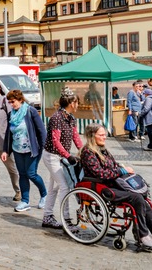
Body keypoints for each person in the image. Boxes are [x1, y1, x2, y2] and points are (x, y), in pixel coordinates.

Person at [80, 123, 152, 256]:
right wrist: (122, 170)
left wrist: (121, 169)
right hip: (100, 187)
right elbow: (101, 174)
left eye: (105, 134)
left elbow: (113, 166)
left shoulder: (102, 149)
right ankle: (144, 235)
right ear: (92, 136)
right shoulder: (88, 152)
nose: (105, 137)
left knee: (144, 202)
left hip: (112, 184)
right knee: (137, 198)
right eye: (101, 134)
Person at [41, 88, 83, 229]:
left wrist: (83, 152)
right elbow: (55, 141)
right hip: (52, 156)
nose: (78, 105)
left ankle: (47, 217)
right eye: (77, 102)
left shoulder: (71, 118)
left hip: (60, 156)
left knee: (54, 188)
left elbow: (76, 137)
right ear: (71, 103)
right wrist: (68, 156)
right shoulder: (56, 118)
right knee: (65, 186)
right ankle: (67, 221)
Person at [1, 89, 46, 212]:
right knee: (22, 174)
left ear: (20, 100)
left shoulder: (30, 111)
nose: (11, 104)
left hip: (32, 149)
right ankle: (25, 201)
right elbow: (8, 134)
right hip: (17, 149)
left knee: (31, 173)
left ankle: (44, 194)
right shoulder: (11, 114)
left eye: (13, 101)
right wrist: (5, 150)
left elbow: (41, 131)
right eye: (9, 102)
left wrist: (44, 147)